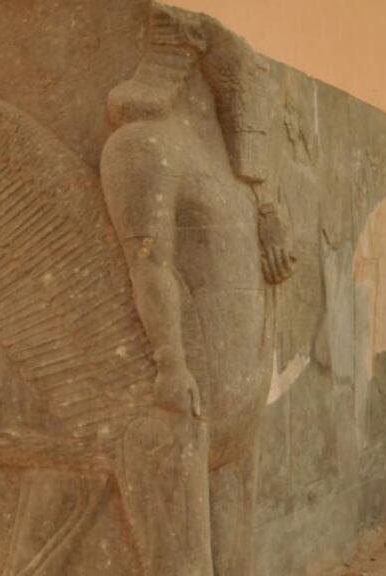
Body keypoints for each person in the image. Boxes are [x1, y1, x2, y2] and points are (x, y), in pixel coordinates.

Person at [101, 7, 295, 574]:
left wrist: (268, 226)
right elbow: (148, 263)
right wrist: (170, 361)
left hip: (238, 398)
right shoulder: (142, 146)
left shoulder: (235, 175)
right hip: (187, 393)